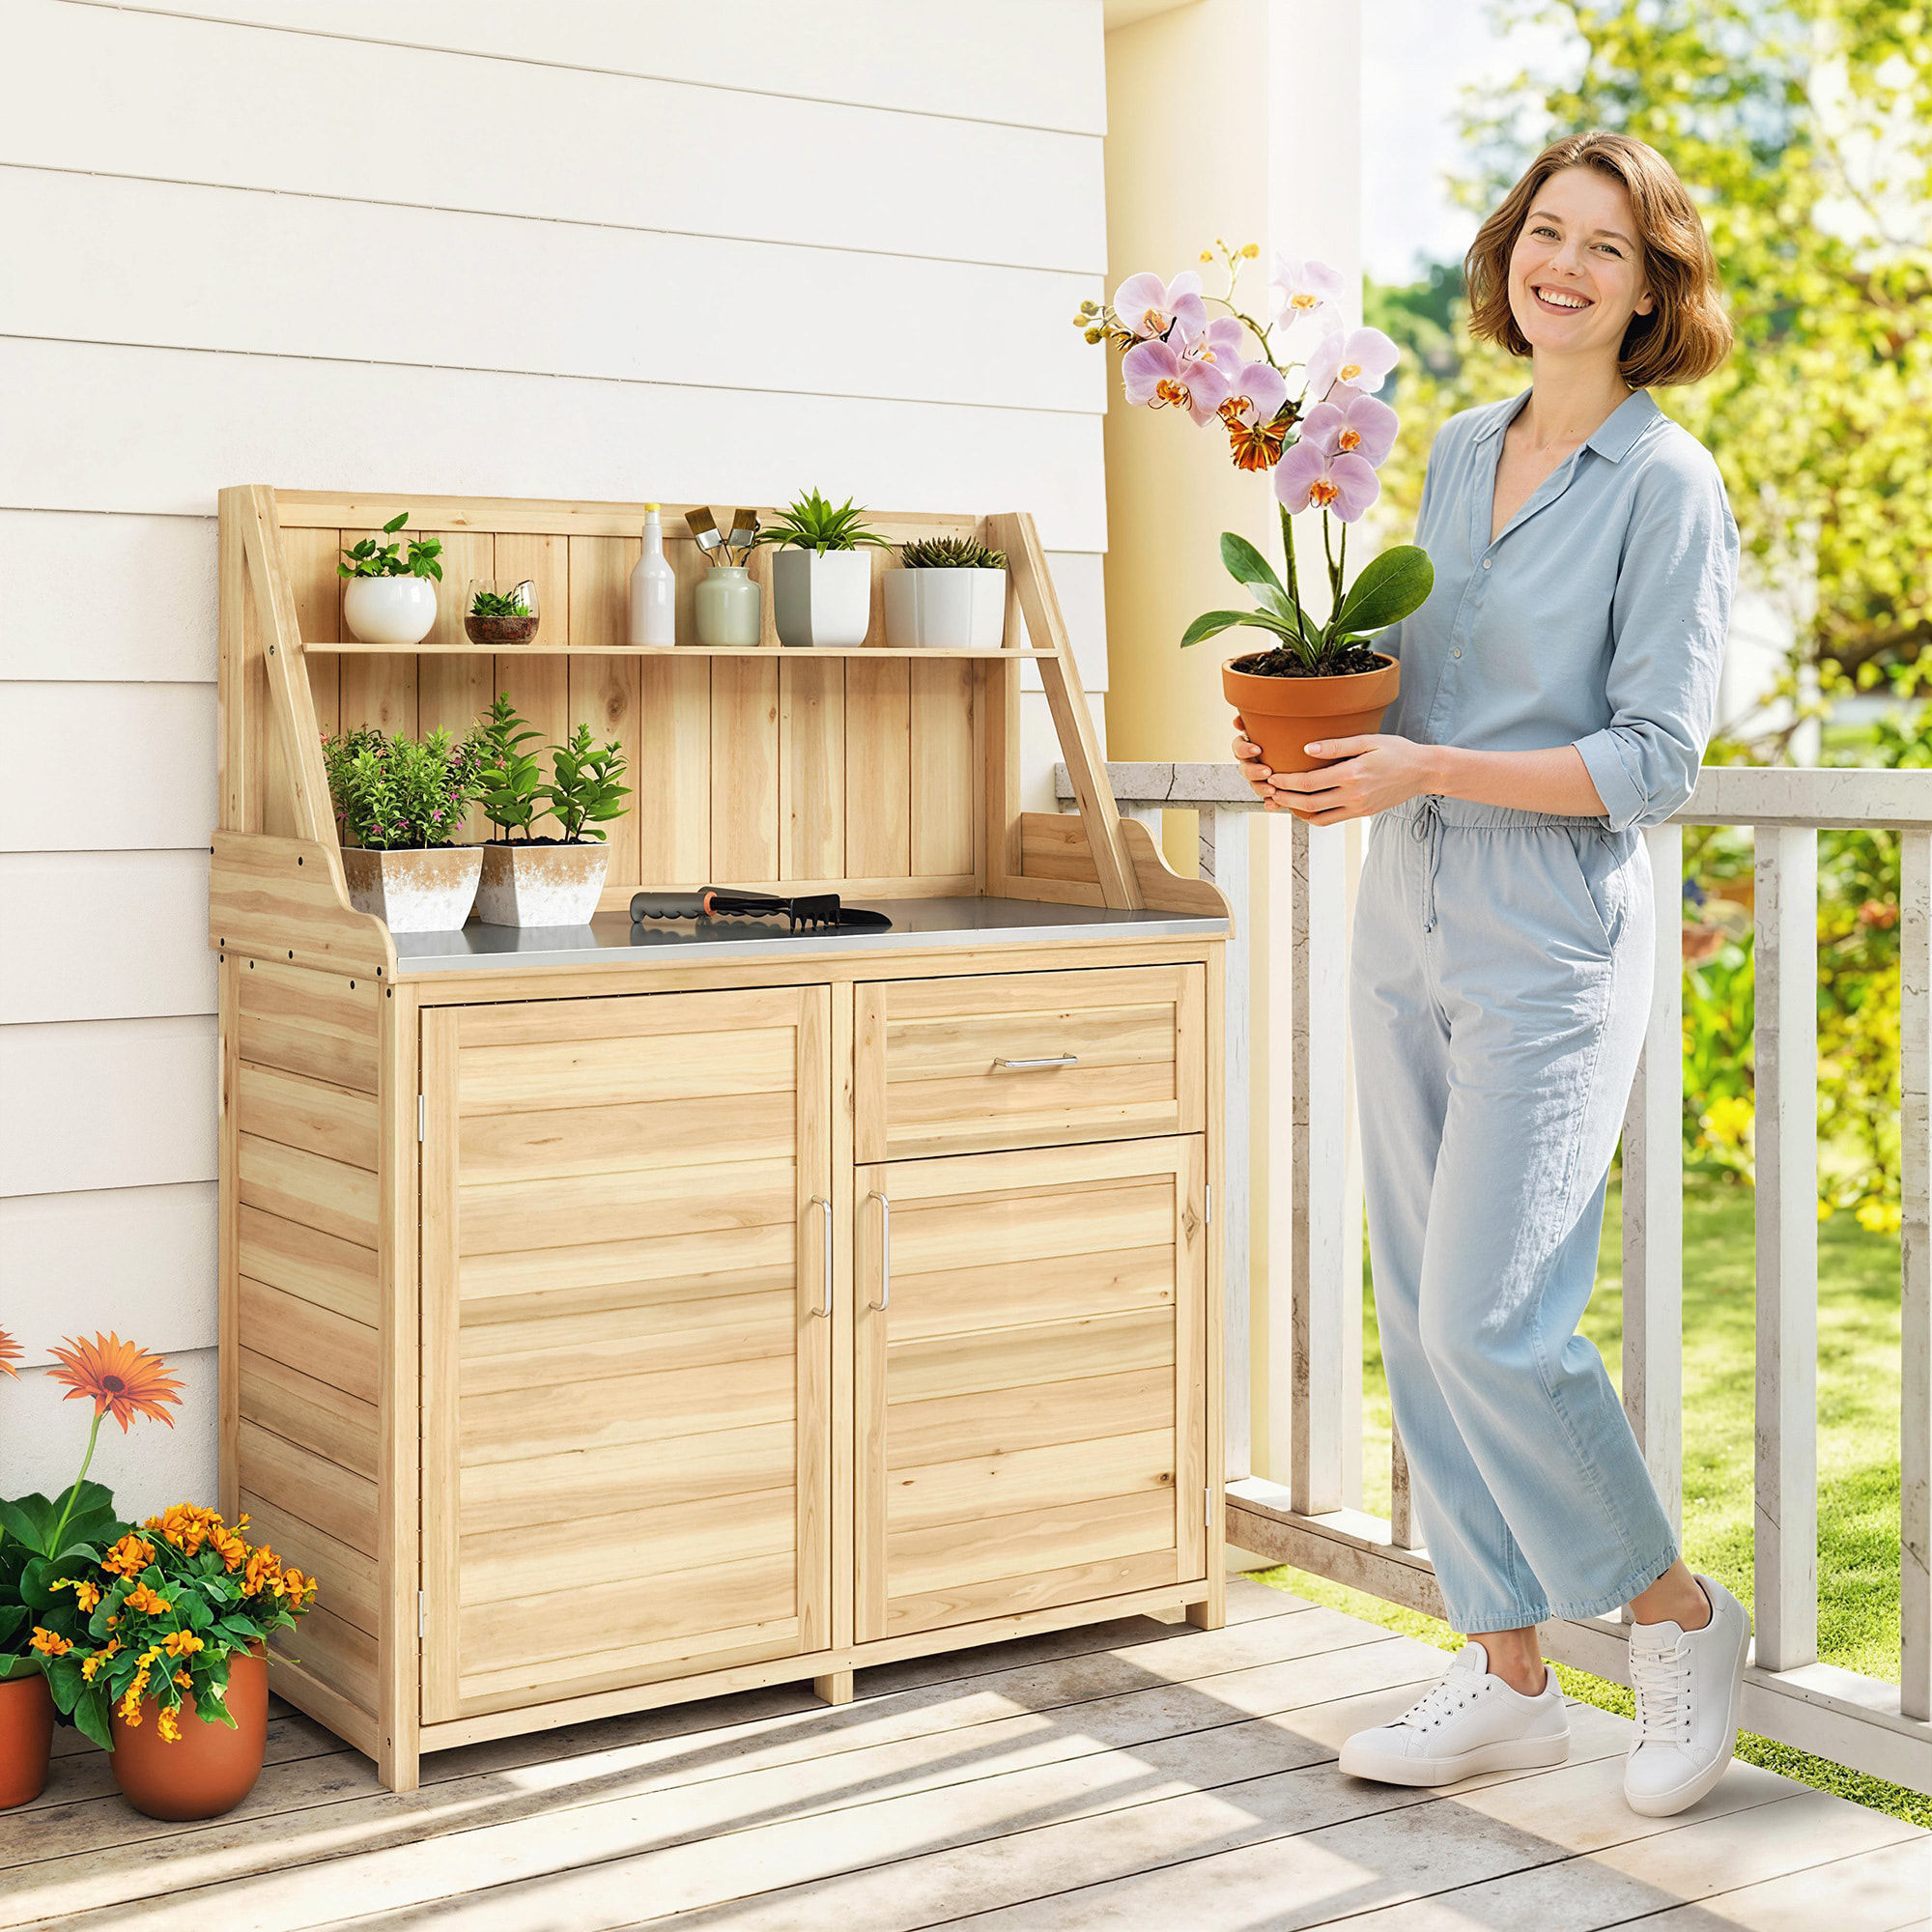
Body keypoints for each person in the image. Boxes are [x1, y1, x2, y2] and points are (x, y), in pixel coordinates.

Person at [1234, 130, 1748, 1818]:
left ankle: (1673, 1616)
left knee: (1493, 1316)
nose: (1568, 265)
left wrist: (1427, 771)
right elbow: (1417, 691)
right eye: (1548, 231)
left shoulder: (1667, 484)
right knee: (1416, 1309)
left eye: (1610, 245)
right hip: (1409, 925)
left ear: (1652, 285)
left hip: (1553, 943)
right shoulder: (1457, 453)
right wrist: (1318, 744)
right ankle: (1509, 1667)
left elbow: (1659, 758)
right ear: (1509, 254)